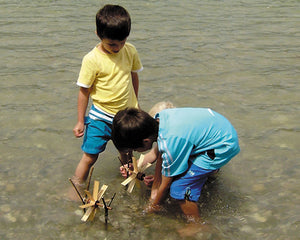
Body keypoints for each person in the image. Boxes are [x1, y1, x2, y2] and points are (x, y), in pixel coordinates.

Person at [111, 107, 240, 236]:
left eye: (134, 149)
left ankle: (196, 224)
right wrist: (136, 166)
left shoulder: (171, 143)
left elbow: (166, 184)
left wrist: (154, 205)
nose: (135, 152)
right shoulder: (159, 120)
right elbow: (159, 153)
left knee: (179, 187)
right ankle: (206, 173)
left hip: (222, 145)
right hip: (218, 129)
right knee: (178, 170)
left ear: (146, 141)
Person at [70, 4, 143, 197]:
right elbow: (84, 91)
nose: (117, 47)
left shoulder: (130, 51)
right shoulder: (91, 59)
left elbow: (133, 76)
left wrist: (136, 106)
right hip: (100, 116)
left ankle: (130, 186)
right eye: (111, 44)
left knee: (127, 154)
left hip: (126, 116)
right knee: (89, 155)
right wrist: (80, 120)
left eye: (122, 41)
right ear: (98, 34)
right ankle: (75, 189)